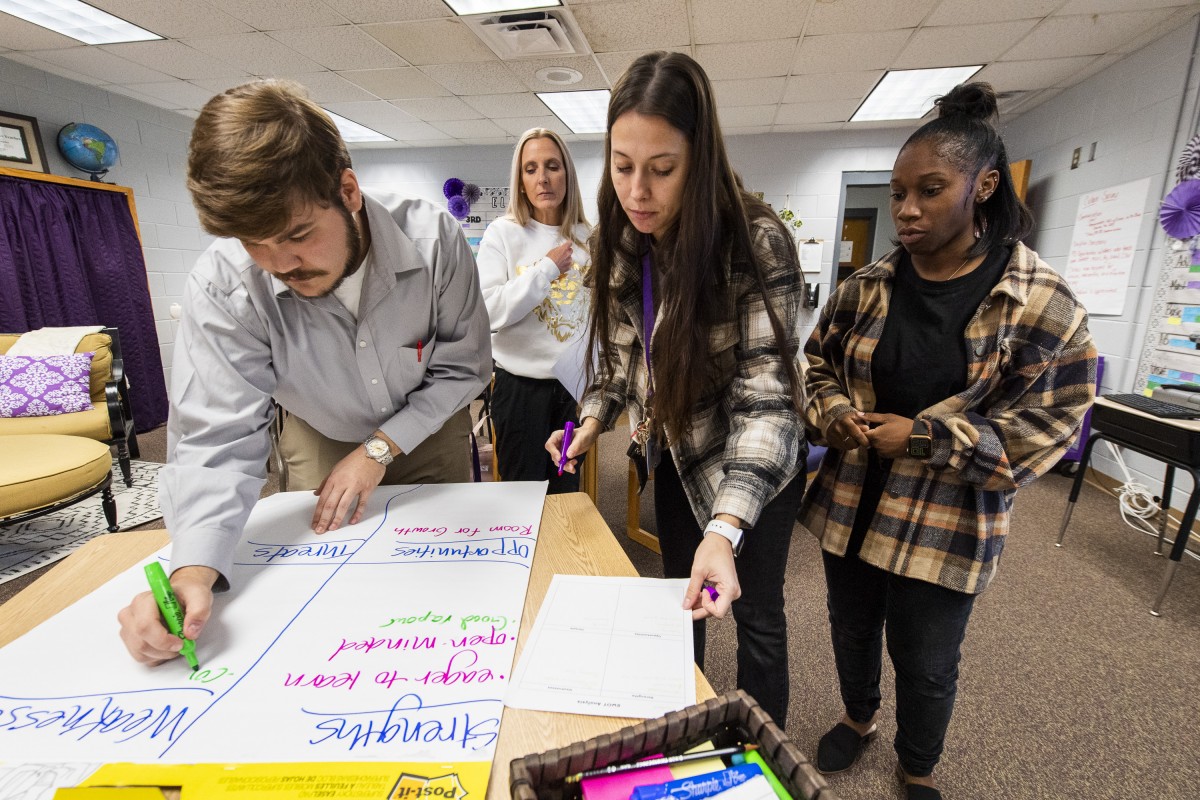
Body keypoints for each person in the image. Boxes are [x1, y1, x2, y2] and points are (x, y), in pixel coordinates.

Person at [117, 79, 492, 665]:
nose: (281, 264)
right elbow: (217, 434)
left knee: (445, 578)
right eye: (255, 243)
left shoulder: (436, 240)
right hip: (316, 427)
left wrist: (378, 450)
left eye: (297, 235)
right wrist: (192, 569)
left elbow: (462, 367)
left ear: (348, 191)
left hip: (429, 422)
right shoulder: (223, 283)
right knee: (326, 586)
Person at [799, 83, 1097, 799]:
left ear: (984, 186)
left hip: (946, 518)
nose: (907, 209)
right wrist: (834, 411)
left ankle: (918, 765)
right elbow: (815, 364)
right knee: (852, 627)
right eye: (899, 192)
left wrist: (928, 439)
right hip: (853, 502)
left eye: (930, 190)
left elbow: (1048, 429)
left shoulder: (1040, 301)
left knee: (927, 656)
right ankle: (859, 717)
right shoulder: (865, 287)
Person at [546, 52, 807, 727]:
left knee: (754, 612)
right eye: (622, 165)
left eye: (661, 170)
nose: (638, 191)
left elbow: (770, 402)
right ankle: (683, 726)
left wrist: (725, 527)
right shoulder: (624, 239)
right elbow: (618, 361)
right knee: (675, 601)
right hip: (675, 455)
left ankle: (762, 752)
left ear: (700, 158)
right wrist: (591, 423)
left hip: (753, 469)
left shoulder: (755, 242)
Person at [476, 128, 591, 493]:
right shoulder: (504, 233)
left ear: (567, 174)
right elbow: (489, 311)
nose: (542, 177)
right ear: (520, 180)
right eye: (530, 168)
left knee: (566, 494)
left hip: (572, 391)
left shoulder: (589, 237)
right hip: (520, 391)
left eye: (552, 166)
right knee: (521, 497)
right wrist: (545, 270)